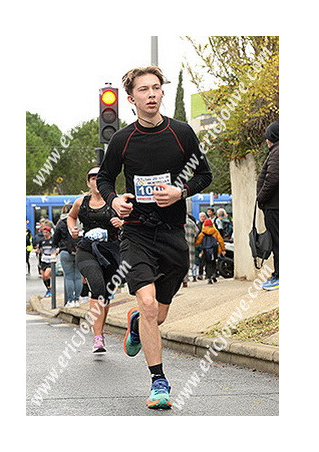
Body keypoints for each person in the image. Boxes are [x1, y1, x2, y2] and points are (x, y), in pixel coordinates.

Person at [97, 66, 212, 409]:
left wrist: (180, 191)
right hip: (137, 232)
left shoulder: (181, 133)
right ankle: (159, 381)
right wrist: (113, 200)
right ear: (131, 99)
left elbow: (205, 174)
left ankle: (136, 323)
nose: (151, 94)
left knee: (156, 316)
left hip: (173, 233)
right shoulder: (122, 140)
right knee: (147, 305)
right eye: (143, 90)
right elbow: (105, 178)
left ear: (162, 92)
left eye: (155, 88)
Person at [67, 167, 123, 354]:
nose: (96, 181)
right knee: (97, 287)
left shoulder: (116, 202)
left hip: (111, 252)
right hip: (87, 250)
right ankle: (97, 337)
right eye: (93, 178)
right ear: (88, 182)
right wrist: (72, 229)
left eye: (100, 178)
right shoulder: (81, 202)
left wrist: (122, 223)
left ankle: (100, 331)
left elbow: (134, 222)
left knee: (105, 294)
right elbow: (71, 217)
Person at [257, 121, 279, 291]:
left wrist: (261, 198)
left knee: (278, 242)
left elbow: (272, 178)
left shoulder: (277, 152)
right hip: (274, 205)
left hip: (274, 206)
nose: (266, 140)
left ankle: (279, 276)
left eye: (267, 137)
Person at [52, 204, 82, 308]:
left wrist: (57, 247)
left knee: (68, 277)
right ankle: (77, 299)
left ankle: (70, 300)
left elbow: (55, 239)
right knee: (78, 276)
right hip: (79, 251)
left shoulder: (61, 223)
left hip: (65, 251)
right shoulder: (78, 221)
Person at [195, 219, 226, 284]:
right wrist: (223, 249)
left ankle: (209, 277)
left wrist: (194, 244)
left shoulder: (203, 232)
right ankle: (213, 274)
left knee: (208, 263)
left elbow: (198, 241)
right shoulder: (215, 231)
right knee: (213, 262)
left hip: (206, 250)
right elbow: (220, 240)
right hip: (214, 249)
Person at [35, 226, 54, 297]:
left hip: (50, 260)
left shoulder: (53, 240)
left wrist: (55, 253)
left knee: (47, 275)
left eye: (46, 232)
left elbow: (58, 248)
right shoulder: (42, 241)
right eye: (44, 232)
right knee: (43, 277)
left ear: (49, 233)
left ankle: (50, 290)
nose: (45, 234)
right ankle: (49, 289)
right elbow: (39, 249)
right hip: (43, 260)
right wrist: (37, 251)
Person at [183, 213, 199, 287]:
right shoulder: (191, 223)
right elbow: (197, 232)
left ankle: (181, 280)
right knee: (187, 262)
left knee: (180, 262)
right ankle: (185, 281)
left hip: (180, 244)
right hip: (190, 245)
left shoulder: (178, 221)